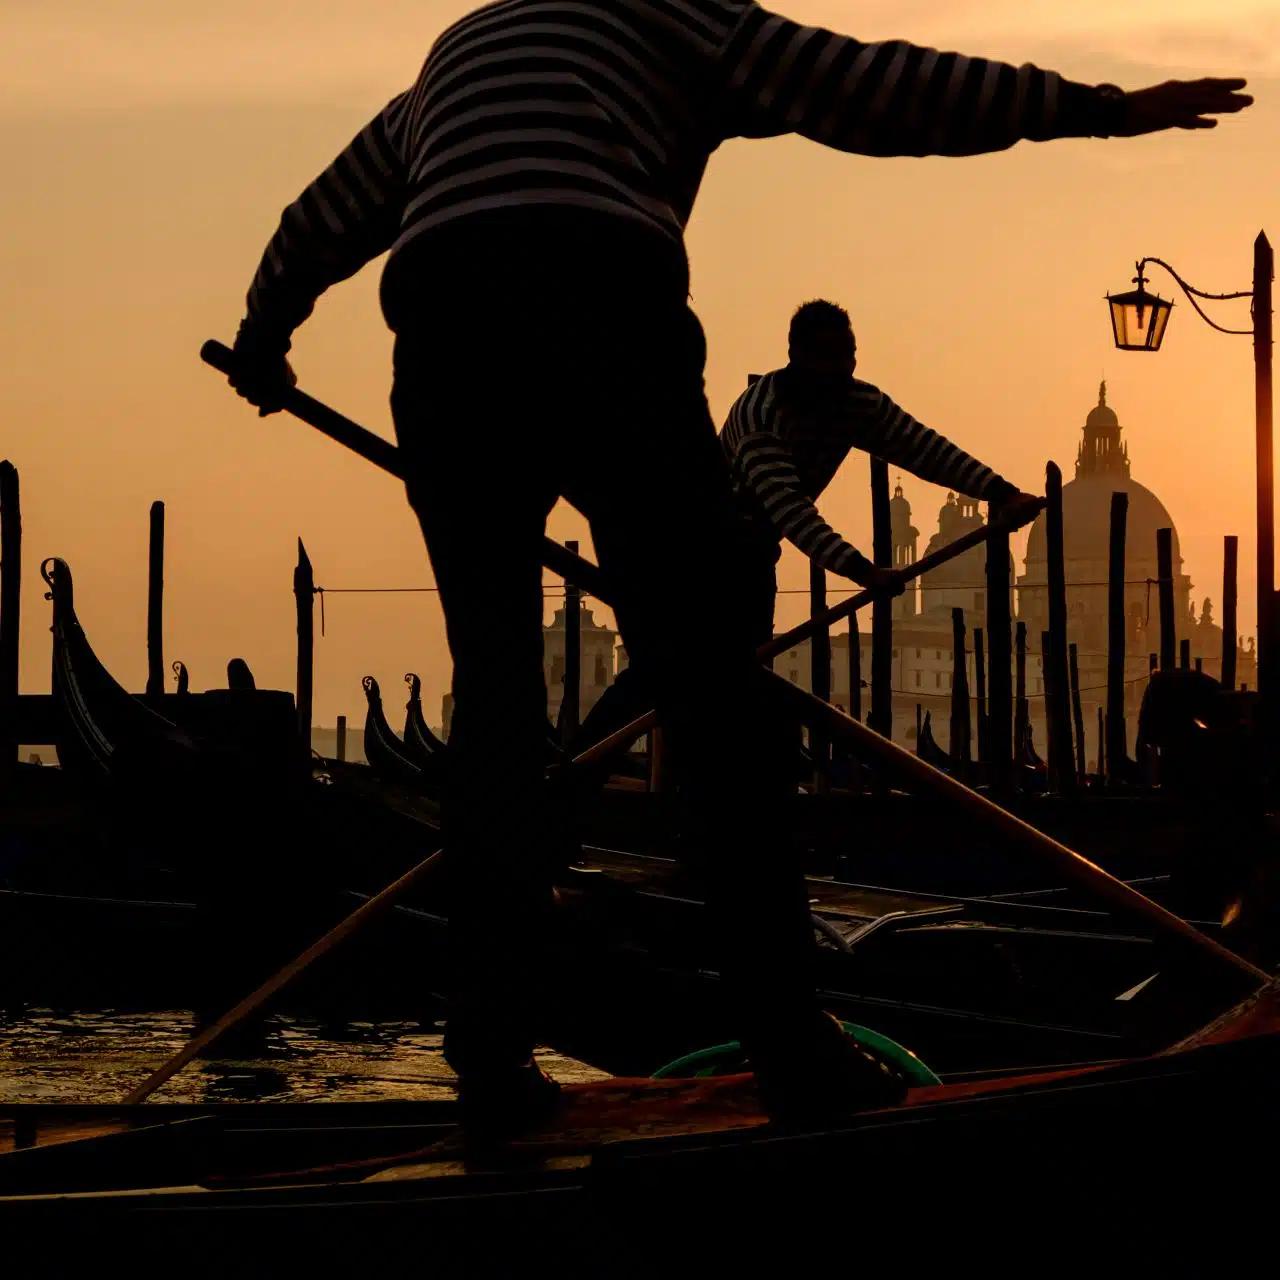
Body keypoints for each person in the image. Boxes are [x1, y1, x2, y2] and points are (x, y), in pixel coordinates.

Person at [222, 0, 1250, 1136]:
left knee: (499, 705)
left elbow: (316, 218)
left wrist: (267, 341)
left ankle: (490, 1048)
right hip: (604, 300)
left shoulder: (460, 50)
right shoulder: (668, 14)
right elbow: (878, 89)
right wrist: (1096, 110)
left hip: (445, 337)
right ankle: (789, 1045)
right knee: (718, 703)